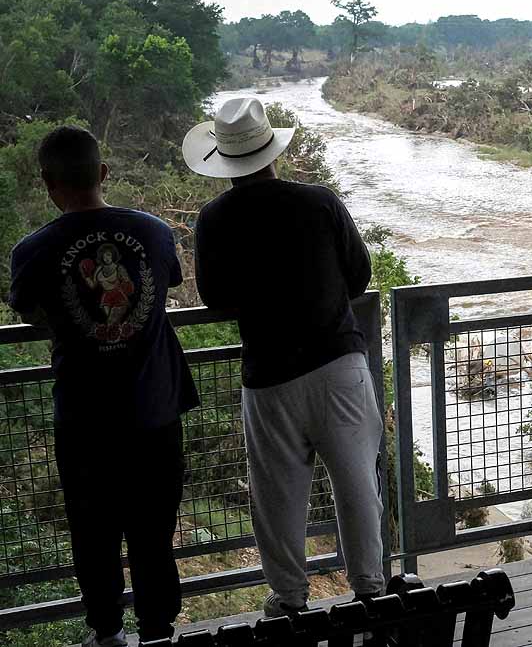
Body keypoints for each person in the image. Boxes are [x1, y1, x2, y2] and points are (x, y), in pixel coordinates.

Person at [186, 98, 385, 615]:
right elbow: (359, 275)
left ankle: (290, 599)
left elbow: (214, 298)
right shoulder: (319, 201)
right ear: (273, 151)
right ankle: (370, 589)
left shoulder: (214, 219)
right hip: (338, 364)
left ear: (224, 161)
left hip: (269, 375)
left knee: (277, 497)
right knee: (357, 485)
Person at [8, 126, 199, 647]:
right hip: (155, 410)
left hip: (85, 419)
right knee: (154, 533)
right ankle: (158, 631)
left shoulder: (33, 250)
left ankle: (106, 632)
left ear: (47, 181)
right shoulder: (154, 232)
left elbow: (33, 312)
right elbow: (167, 285)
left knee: (93, 534)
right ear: (104, 172)